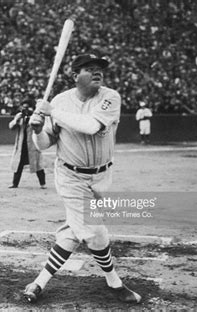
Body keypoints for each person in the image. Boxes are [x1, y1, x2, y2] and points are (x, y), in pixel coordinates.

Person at [24, 54, 142, 304]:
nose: (97, 72)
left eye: (99, 69)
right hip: (70, 177)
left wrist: (52, 111)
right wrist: (36, 130)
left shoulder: (110, 97)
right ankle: (115, 283)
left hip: (102, 176)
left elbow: (91, 126)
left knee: (72, 233)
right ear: (75, 75)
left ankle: (39, 282)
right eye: (89, 69)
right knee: (95, 231)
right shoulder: (59, 100)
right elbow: (45, 143)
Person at [8, 100, 46, 189]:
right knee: (18, 165)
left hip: (33, 144)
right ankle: (15, 183)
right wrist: (17, 120)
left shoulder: (36, 116)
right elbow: (11, 127)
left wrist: (30, 119)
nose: (25, 109)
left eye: (27, 107)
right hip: (22, 144)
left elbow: (40, 126)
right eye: (23, 107)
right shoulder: (19, 116)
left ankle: (43, 183)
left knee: (38, 164)